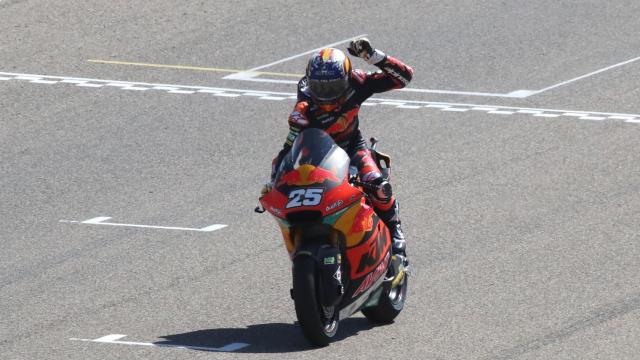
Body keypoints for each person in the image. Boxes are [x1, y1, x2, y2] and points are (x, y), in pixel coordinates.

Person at [264, 38, 413, 259]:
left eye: (332, 87)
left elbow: (404, 77)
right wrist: (275, 179)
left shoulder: (358, 81)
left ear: (345, 79)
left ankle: (395, 230)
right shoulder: (304, 94)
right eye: (320, 87)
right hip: (317, 155)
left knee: (377, 185)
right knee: (285, 176)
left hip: (352, 147)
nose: (326, 93)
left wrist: (372, 56)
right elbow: (291, 142)